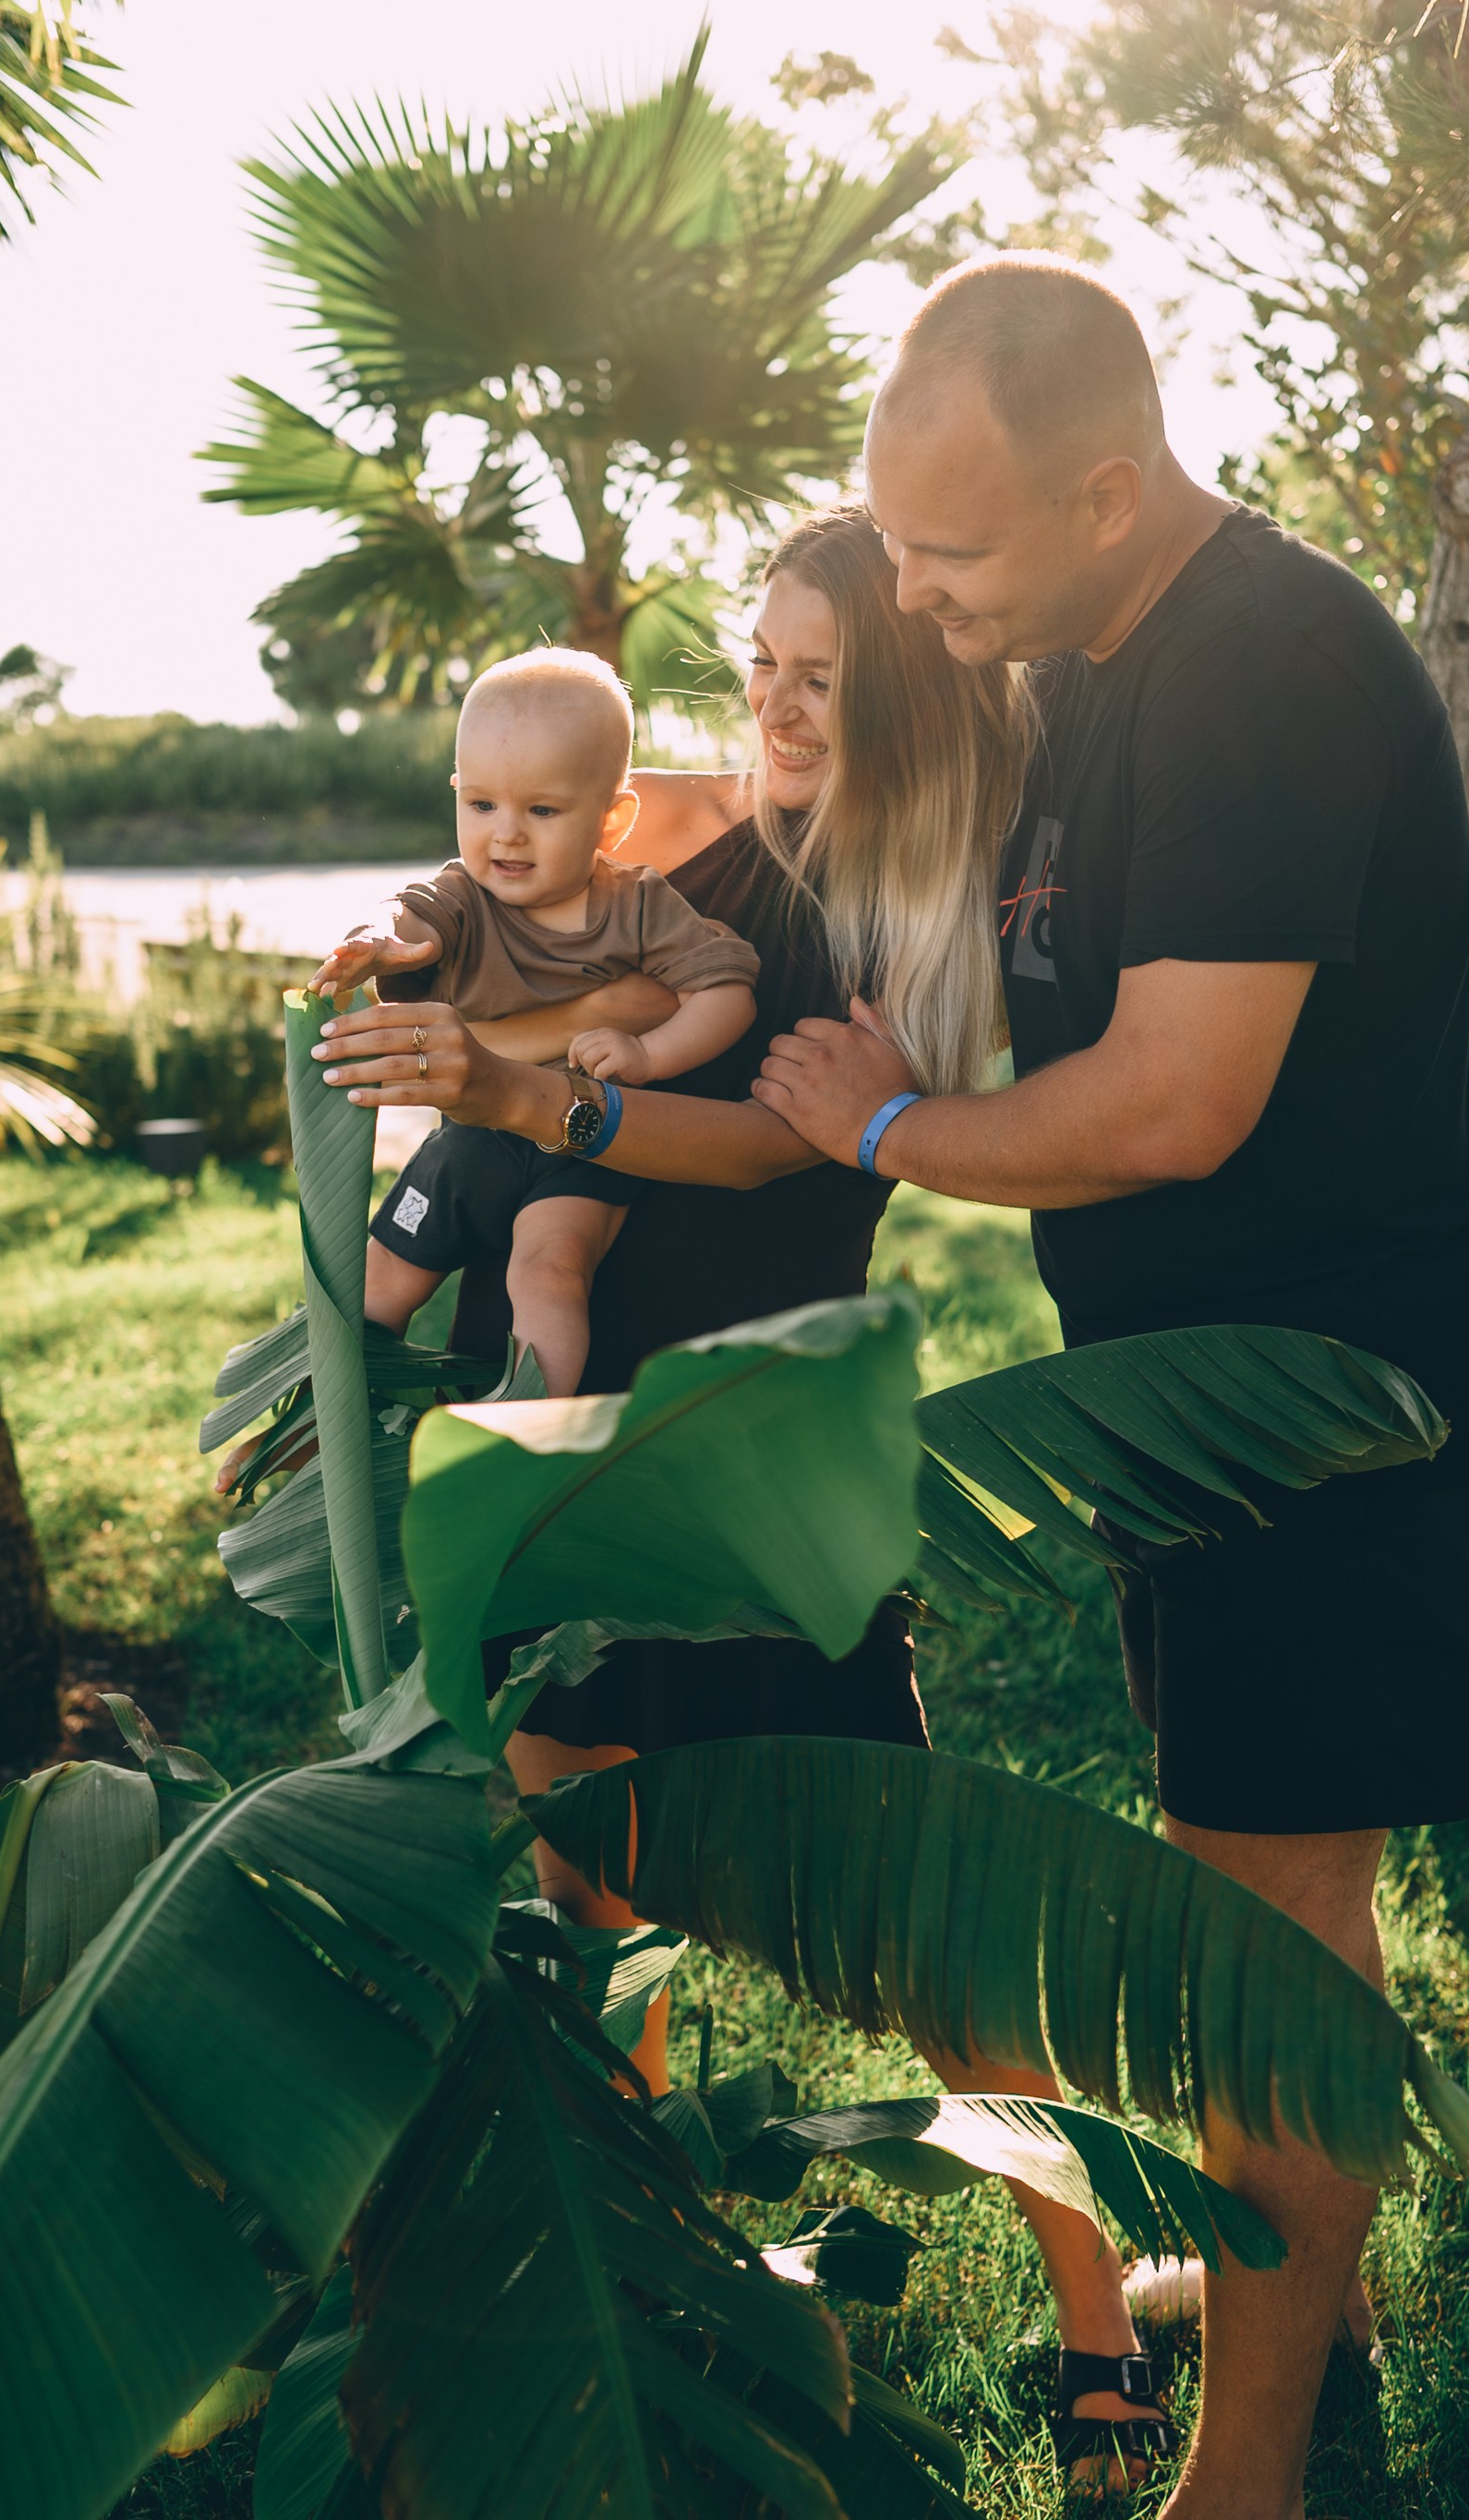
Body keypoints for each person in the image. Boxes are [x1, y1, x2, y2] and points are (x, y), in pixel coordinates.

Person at [747, 259, 1469, 2519]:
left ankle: (1248, 2472)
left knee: (1264, 1913)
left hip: (1327, 1396)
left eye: (949, 555)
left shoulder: (1262, 666)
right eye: (895, 542)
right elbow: (914, 854)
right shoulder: (1079, 647)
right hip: (1187, 1390)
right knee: (1238, 1870)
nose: (912, 592)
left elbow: (1173, 1099)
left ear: (1108, 488)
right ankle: (1315, 2296)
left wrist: (885, 1131)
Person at [304, 503, 1031, 2066]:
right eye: (762, 663)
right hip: (564, 1414)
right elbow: (519, 850)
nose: (772, 702)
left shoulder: (908, 906)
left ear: (902, 689)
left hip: (750, 1438)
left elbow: (786, 1148)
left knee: (904, 1902)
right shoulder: (709, 835)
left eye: (819, 678)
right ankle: (653, 2241)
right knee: (589, 1878)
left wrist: (533, 1104)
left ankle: (1096, 2312)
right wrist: (407, 923)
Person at [308, 649, 759, 1395]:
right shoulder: (462, 898)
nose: (506, 835)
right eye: (481, 806)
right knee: (381, 1276)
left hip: (583, 1144)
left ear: (611, 820)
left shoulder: (639, 905)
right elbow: (404, 911)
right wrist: (375, 937)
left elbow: (728, 992)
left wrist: (648, 1056)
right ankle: (314, 1422)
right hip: (472, 1143)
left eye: (542, 811)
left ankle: (531, 1431)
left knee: (548, 1270)